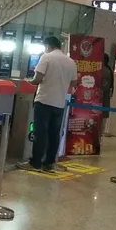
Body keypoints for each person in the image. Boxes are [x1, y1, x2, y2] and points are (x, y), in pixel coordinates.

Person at [17, 36, 77, 172]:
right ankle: (49, 163)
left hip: (44, 100)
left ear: (48, 46)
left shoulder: (46, 57)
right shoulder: (71, 62)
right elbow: (74, 83)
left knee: (40, 133)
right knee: (54, 134)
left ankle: (36, 163)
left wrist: (29, 81)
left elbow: (37, 78)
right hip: (59, 103)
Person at [102, 53, 115, 135]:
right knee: (104, 117)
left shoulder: (101, 70)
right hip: (106, 99)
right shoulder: (109, 70)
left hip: (99, 99)